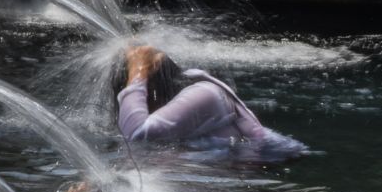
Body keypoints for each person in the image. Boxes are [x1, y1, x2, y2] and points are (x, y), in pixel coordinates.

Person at [113, 44, 310, 161]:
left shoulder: (206, 94)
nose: (133, 102)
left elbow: (136, 133)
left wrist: (138, 71)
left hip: (273, 168)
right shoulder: (176, 111)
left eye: (132, 91)